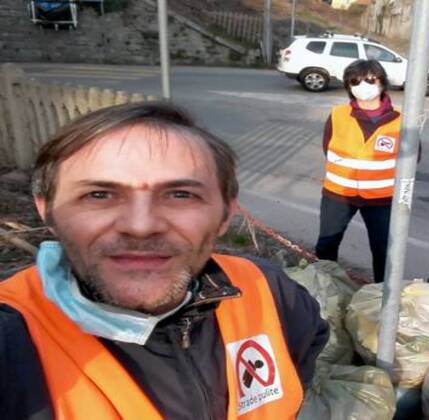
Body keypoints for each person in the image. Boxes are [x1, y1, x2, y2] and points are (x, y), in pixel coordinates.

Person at [0, 102, 329, 419]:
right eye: (99, 195)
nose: (141, 227)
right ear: (48, 210)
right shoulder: (13, 338)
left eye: (180, 195)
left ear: (227, 212)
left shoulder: (266, 288)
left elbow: (309, 345)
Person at [316, 59, 407, 283]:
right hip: (338, 194)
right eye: (355, 81)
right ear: (349, 86)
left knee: (384, 252)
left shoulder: (401, 121)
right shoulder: (338, 114)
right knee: (326, 245)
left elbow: (413, 159)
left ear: (382, 82)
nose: (362, 86)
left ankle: (381, 299)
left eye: (369, 80)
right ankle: (325, 290)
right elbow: (328, 148)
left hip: (381, 200)